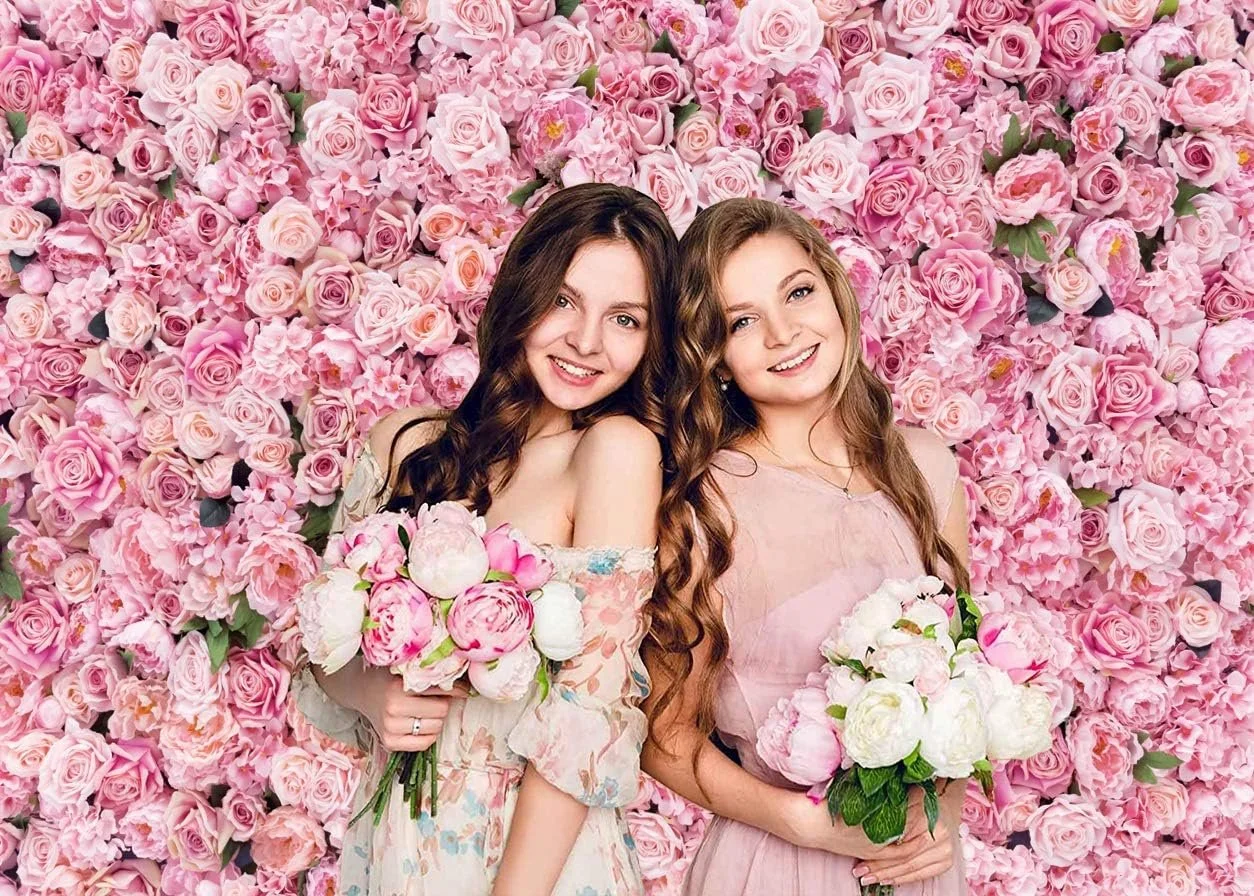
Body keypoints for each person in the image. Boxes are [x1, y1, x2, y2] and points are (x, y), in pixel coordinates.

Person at [293, 183, 677, 896]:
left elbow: (587, 715)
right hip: (396, 843)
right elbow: (319, 650)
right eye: (563, 300)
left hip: (534, 863)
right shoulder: (406, 444)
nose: (586, 341)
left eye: (625, 319)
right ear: (521, 294)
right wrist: (372, 692)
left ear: (653, 341)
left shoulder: (615, 453)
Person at [642, 198, 972, 895]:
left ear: (834, 289)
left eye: (797, 292)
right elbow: (665, 739)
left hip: (916, 865)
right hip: (777, 864)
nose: (783, 332)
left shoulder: (926, 467)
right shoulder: (706, 507)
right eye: (742, 321)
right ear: (716, 357)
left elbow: (964, 684)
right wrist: (799, 821)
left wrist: (943, 814)